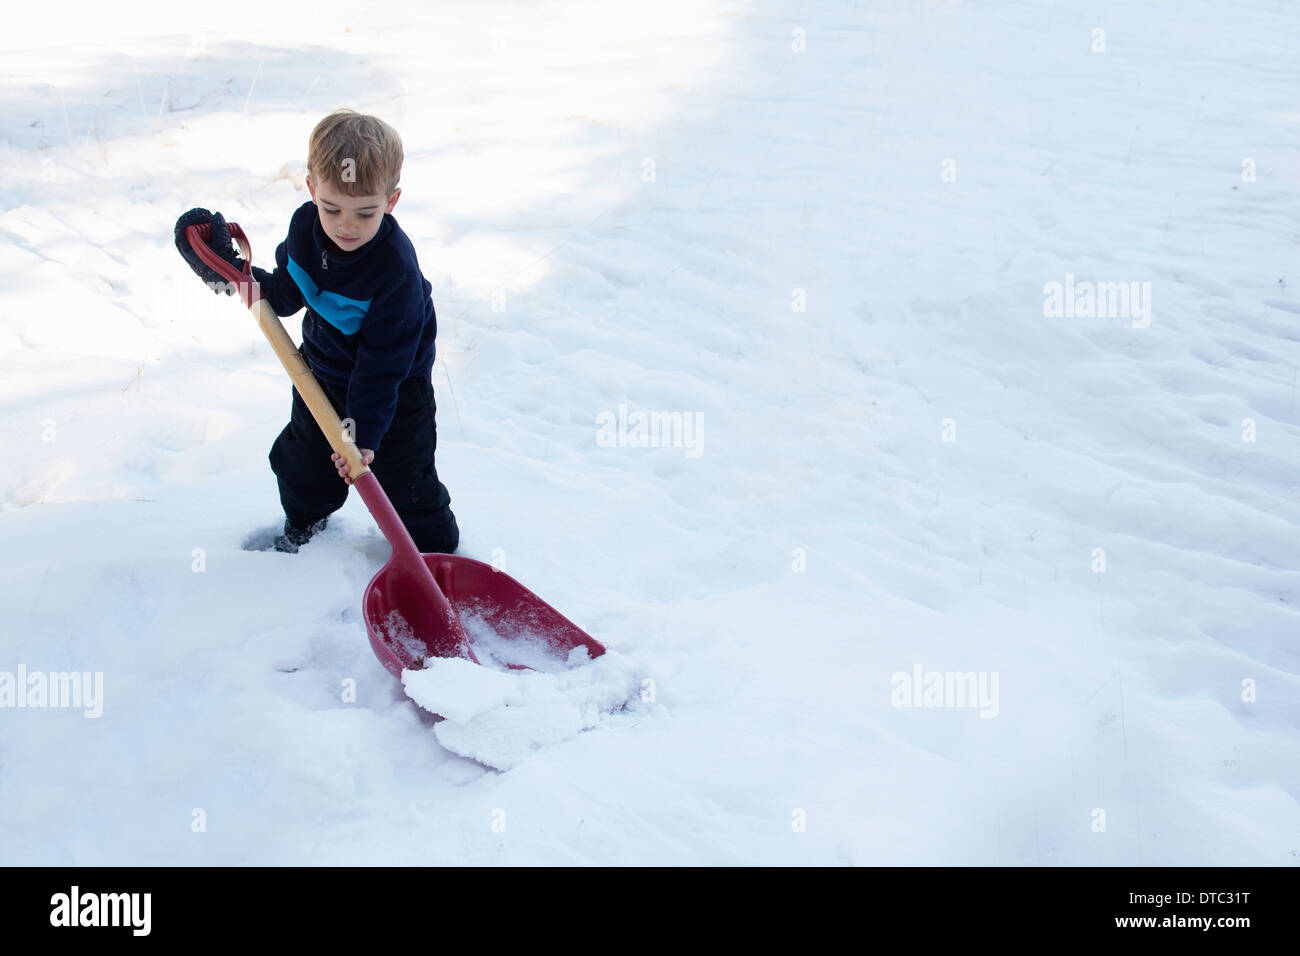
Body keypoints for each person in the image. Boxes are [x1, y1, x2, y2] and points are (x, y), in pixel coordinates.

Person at [174, 108, 459, 554]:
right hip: (320, 377)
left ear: (391, 201)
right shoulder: (305, 230)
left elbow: (383, 366)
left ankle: (436, 557)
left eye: (366, 213)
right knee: (302, 466)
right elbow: (287, 295)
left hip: (396, 393)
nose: (347, 225)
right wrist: (230, 271)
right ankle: (303, 533)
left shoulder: (394, 271)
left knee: (407, 486)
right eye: (332, 208)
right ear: (311, 190)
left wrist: (361, 439)